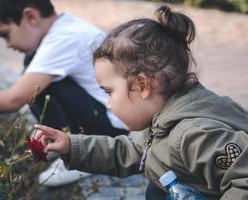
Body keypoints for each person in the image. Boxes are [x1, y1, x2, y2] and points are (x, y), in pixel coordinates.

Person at [30, 5, 248, 200]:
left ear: (143, 86)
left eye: (109, 92)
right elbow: (127, 152)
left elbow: (243, 179)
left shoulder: (196, 135)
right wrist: (71, 147)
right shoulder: (159, 121)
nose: (108, 103)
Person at [0, 0, 127, 186]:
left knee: (37, 88)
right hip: (110, 119)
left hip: (113, 132)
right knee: (34, 69)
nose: (8, 45)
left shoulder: (63, 39)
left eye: (6, 35)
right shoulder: (65, 28)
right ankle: (69, 145)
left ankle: (83, 159)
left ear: (31, 17)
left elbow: (14, 99)